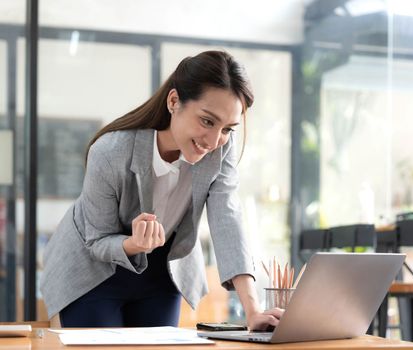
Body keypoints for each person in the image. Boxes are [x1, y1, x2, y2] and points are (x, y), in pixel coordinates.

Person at [40, 50, 282, 329]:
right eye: (207, 121)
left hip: (161, 270)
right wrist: (135, 243)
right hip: (92, 270)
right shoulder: (110, 151)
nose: (215, 140)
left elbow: (227, 219)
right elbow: (97, 240)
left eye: (228, 129)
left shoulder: (220, 149)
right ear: (174, 101)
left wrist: (253, 311)